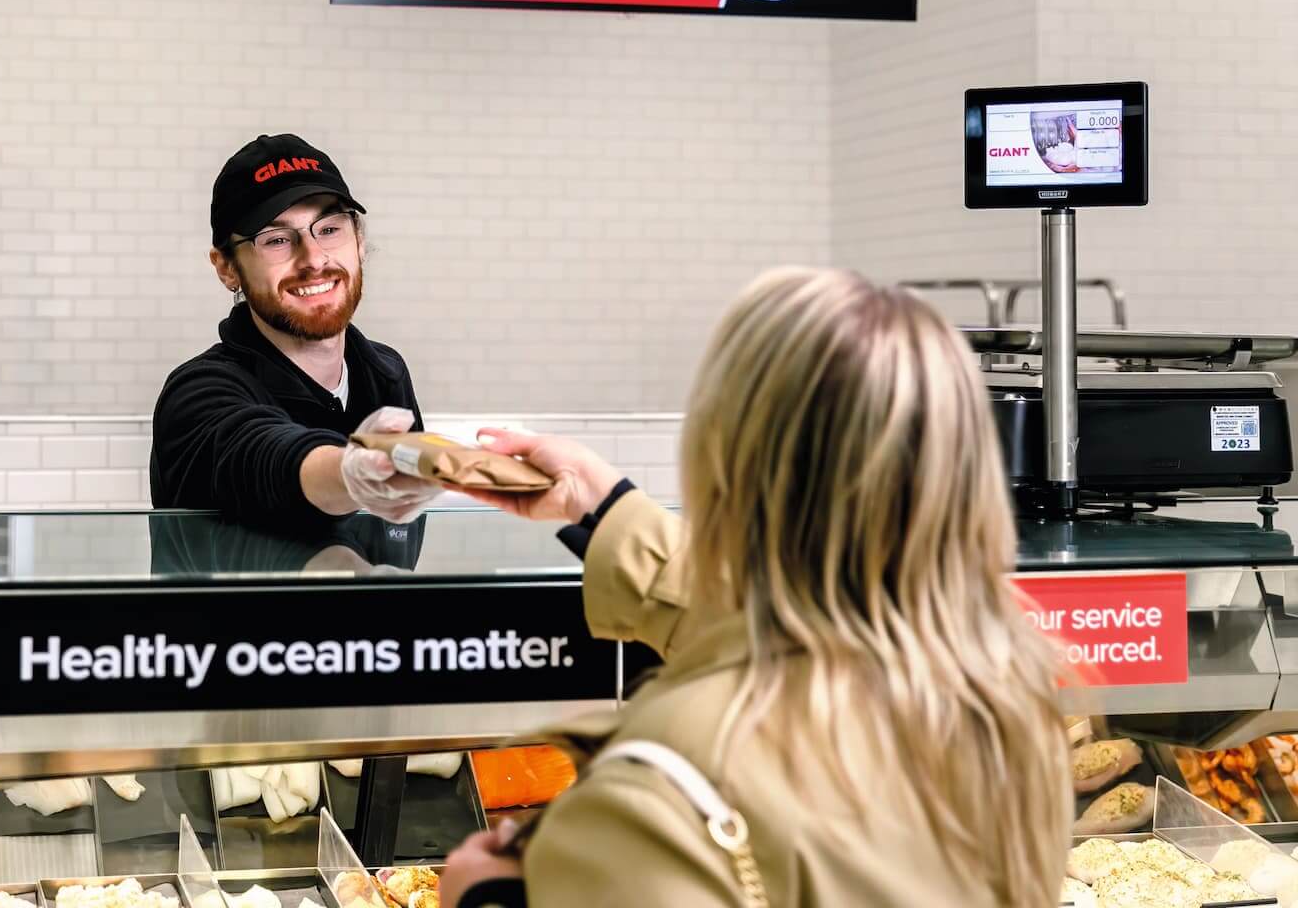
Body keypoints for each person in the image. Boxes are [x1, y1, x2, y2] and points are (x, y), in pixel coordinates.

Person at [441, 268, 1070, 908]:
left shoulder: (661, 795)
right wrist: (604, 505)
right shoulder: (1007, 706)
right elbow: (788, 615)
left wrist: (485, 897)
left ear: (720, 463)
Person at [150, 134, 438, 526]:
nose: (314, 259)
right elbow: (263, 457)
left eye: (330, 228)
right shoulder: (198, 393)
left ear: (359, 241)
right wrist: (348, 474)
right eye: (278, 240)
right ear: (227, 267)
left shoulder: (386, 372)